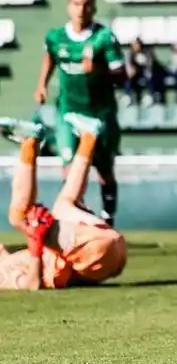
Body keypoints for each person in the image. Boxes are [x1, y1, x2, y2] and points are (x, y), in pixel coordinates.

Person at [34, 0, 125, 226]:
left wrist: (98, 70)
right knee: (69, 166)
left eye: (86, 5)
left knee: (104, 170)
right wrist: (42, 83)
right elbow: (50, 57)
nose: (81, 10)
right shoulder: (55, 37)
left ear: (94, 7)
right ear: (68, 6)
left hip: (100, 114)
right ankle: (72, 217)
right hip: (68, 112)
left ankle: (108, 218)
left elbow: (122, 76)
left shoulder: (104, 38)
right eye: (76, 4)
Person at [0, 119, 127, 290]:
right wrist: (35, 244)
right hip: (92, 255)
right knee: (20, 218)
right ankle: (29, 141)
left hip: (100, 251)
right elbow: (31, 284)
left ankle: (88, 137)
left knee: (63, 204)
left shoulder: (5, 261)